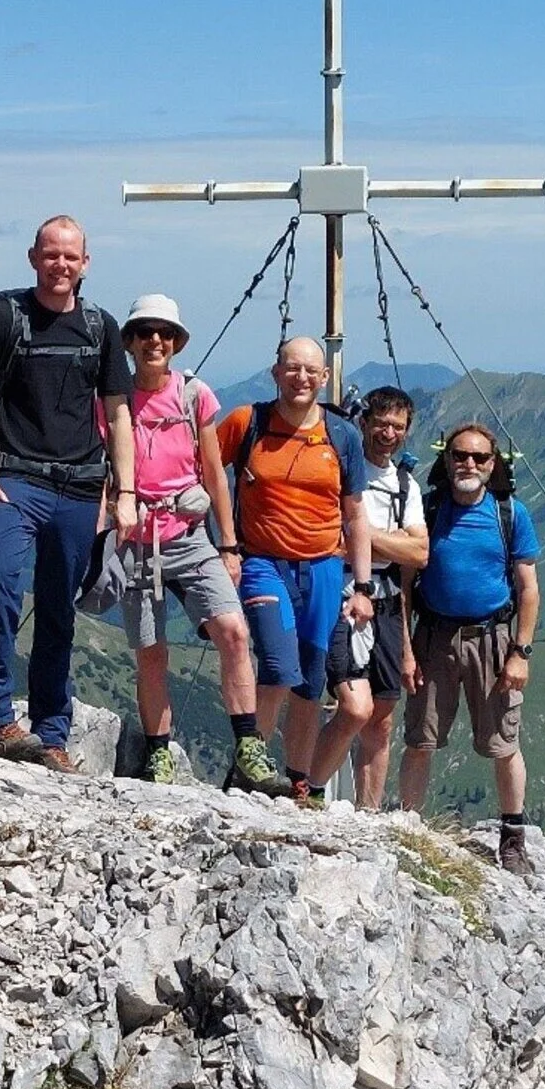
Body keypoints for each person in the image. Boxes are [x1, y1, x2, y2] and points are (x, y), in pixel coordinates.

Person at [0, 216, 136, 772]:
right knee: (2, 581)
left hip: (79, 488)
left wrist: (124, 492)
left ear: (86, 263)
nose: (60, 265)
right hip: (13, 480)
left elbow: (118, 414)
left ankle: (52, 733)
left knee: (58, 609)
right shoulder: (4, 318)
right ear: (33, 257)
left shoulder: (101, 328)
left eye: (70, 257)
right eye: (51, 255)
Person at [114, 295, 292, 796]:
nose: (156, 342)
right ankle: (158, 754)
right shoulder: (115, 399)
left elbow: (215, 471)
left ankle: (250, 749)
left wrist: (229, 544)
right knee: (151, 651)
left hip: (190, 535)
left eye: (165, 334)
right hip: (136, 538)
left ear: (176, 343)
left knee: (234, 632)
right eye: (146, 332)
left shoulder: (194, 396)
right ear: (129, 342)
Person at [216, 336, 373, 804]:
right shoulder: (248, 422)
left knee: (309, 680)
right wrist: (222, 544)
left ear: (324, 379)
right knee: (279, 668)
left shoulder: (341, 434)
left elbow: (355, 513)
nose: (301, 378)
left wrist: (362, 585)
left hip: (324, 567)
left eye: (310, 371)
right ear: (275, 372)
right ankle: (249, 770)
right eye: (292, 368)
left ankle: (297, 782)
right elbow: (205, 471)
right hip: (262, 561)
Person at [398, 422, 541, 875]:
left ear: (493, 464)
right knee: (421, 738)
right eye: (461, 455)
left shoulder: (510, 514)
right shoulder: (427, 510)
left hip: (493, 641)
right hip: (433, 638)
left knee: (503, 743)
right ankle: (410, 829)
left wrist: (521, 652)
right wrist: (405, 647)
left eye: (480, 458)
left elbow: (529, 588)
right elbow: (403, 586)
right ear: (447, 459)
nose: (469, 464)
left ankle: (513, 837)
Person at [310, 386, 429, 808]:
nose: (388, 433)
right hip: (342, 593)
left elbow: (421, 552)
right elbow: (335, 543)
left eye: (398, 426)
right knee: (355, 709)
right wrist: (389, 540)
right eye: (381, 423)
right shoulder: (342, 469)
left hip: (388, 601)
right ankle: (308, 791)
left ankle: (369, 813)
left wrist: (363, 535)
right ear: (363, 422)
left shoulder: (404, 484)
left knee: (381, 718)